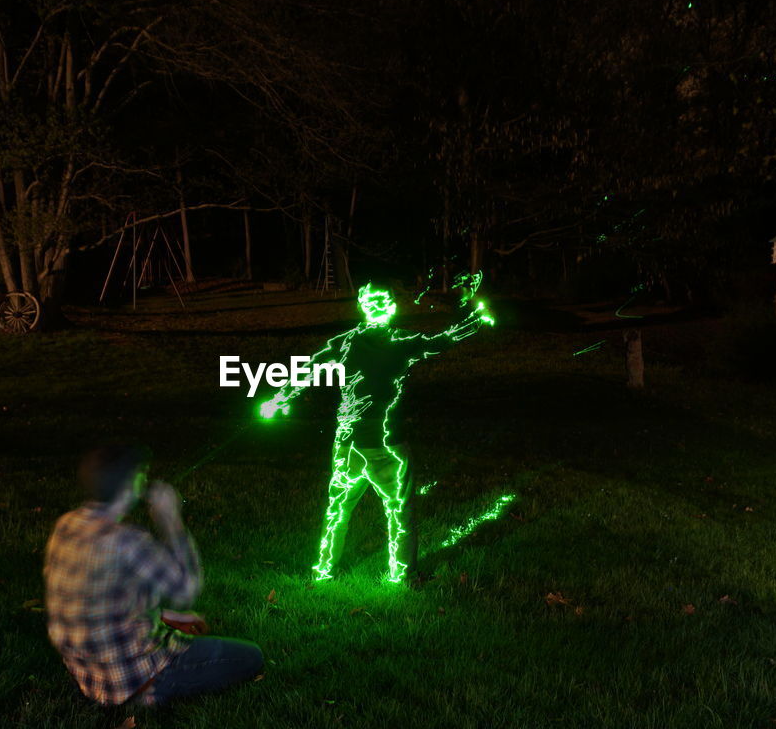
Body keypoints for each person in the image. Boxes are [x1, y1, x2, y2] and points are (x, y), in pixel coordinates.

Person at [260, 281, 493, 583]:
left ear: (362, 306)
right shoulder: (403, 342)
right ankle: (403, 575)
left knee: (338, 511)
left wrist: (278, 401)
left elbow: (308, 370)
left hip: (349, 445)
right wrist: (475, 321)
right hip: (388, 448)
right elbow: (441, 341)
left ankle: (324, 570)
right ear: (392, 308)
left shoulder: (344, 343)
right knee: (399, 513)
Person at [43, 445, 263, 706]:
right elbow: (187, 589)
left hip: (89, 675)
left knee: (183, 632)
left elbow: (97, 601)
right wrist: (170, 520)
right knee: (251, 657)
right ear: (130, 485)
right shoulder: (128, 542)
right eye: (141, 476)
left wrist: (166, 617)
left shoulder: (67, 525)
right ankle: (149, 692)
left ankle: (136, 685)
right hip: (133, 676)